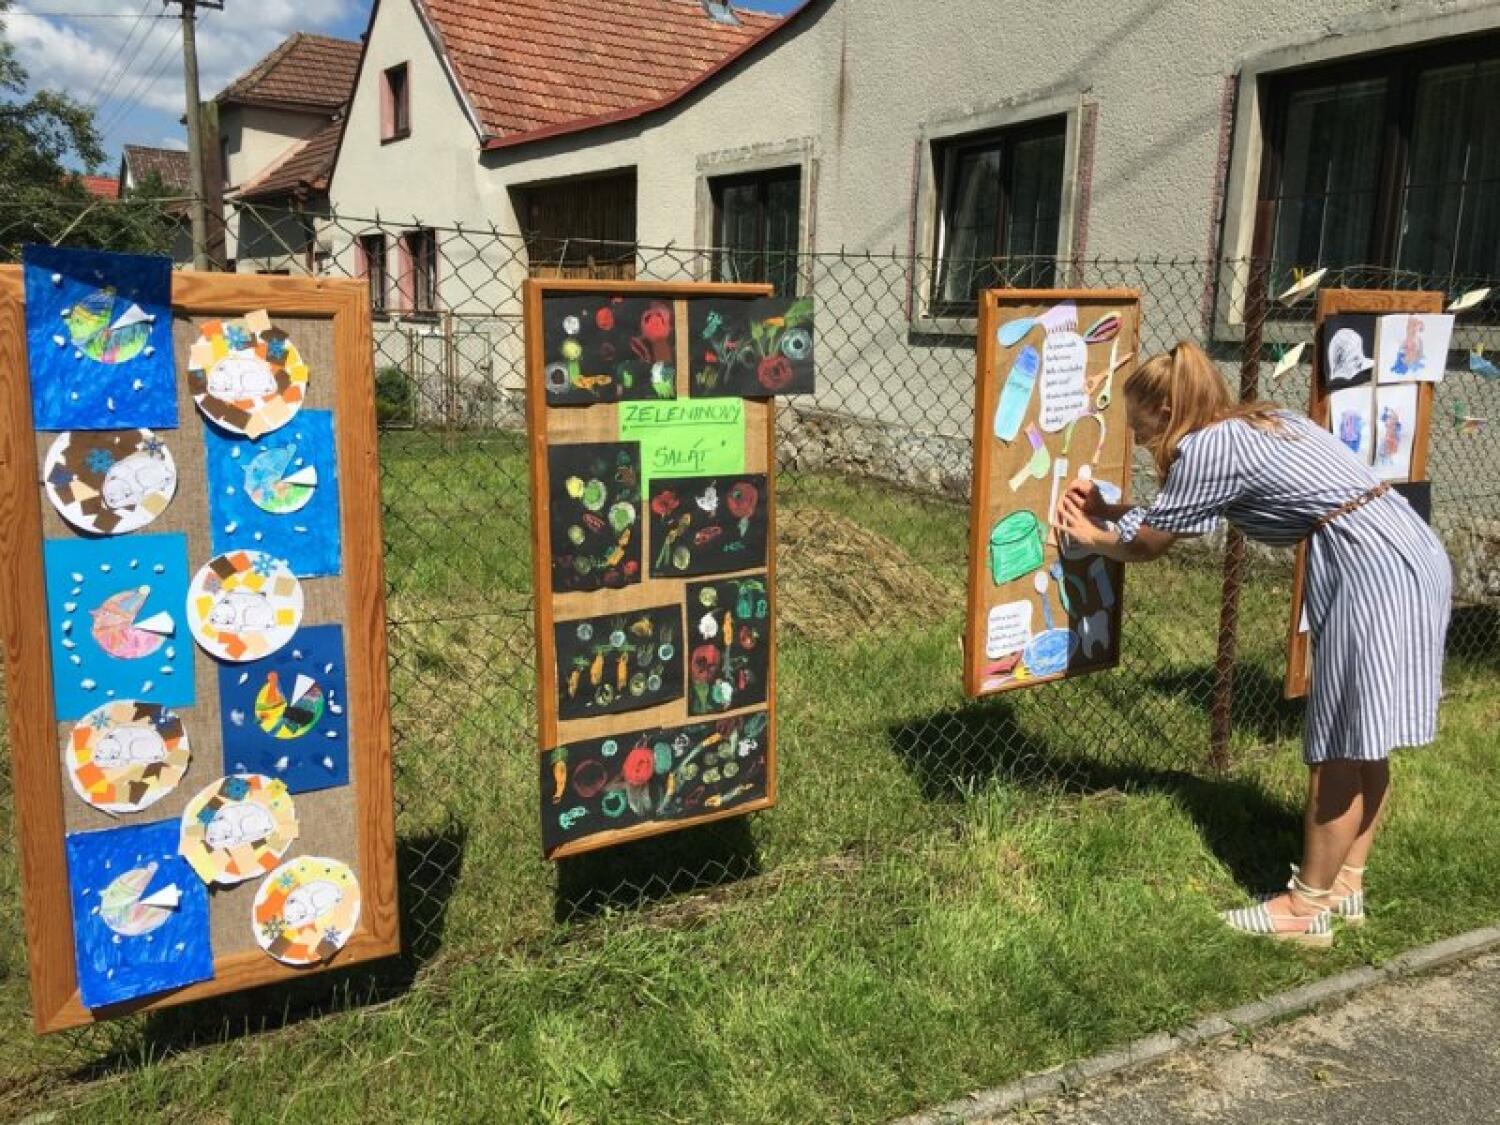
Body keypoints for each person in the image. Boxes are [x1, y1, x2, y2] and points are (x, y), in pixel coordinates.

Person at [1054, 341, 1451, 947]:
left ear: (1166, 410)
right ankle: (1345, 884)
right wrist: (1114, 509)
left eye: (1138, 424)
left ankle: (1303, 910)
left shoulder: (1204, 450)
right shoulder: (1260, 420)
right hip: (1409, 550)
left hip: (1368, 567)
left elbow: (1149, 546)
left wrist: (1091, 535)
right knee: (1368, 732)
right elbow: (1184, 516)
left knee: (1340, 743)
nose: (1135, 437)